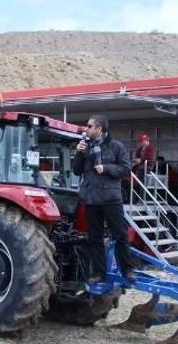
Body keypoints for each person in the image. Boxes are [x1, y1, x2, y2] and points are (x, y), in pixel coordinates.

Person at [73, 115, 135, 282]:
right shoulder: (85, 147)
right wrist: (78, 153)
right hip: (92, 199)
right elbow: (76, 171)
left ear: (99, 129)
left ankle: (128, 270)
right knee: (94, 239)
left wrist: (106, 168)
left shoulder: (116, 147)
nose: (86, 129)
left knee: (120, 235)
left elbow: (125, 169)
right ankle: (100, 274)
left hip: (111, 199)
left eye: (89, 126)